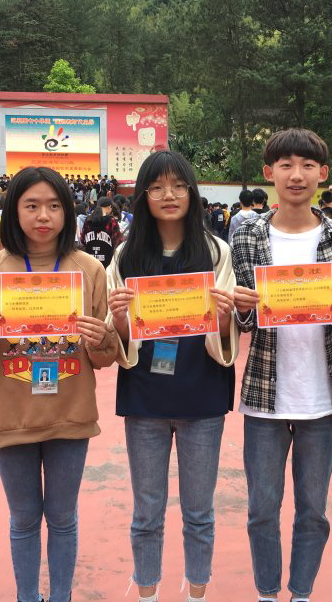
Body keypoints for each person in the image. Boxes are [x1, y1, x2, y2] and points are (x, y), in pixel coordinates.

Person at [0, 166, 117, 602]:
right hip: (13, 418)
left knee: (62, 518)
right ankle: (27, 596)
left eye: (55, 206)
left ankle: (60, 596)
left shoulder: (89, 270)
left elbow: (106, 357)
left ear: (68, 212)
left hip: (70, 417)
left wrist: (102, 339)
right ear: (13, 211)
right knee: (23, 520)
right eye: (32, 205)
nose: (44, 216)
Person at [231, 128, 332, 602]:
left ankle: (302, 592)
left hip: (320, 396)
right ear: (269, 173)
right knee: (261, 510)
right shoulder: (247, 235)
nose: (296, 175)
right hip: (264, 396)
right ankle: (268, 592)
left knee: (313, 511)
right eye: (285, 165)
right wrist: (241, 307)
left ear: (323, 174)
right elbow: (246, 322)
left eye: (307, 165)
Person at [106, 151, 239, 602]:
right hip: (145, 397)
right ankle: (147, 592)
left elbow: (225, 333)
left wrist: (225, 316)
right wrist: (119, 319)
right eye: (158, 187)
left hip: (202, 395)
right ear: (143, 196)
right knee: (147, 512)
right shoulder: (126, 255)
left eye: (179, 186)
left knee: (199, 511)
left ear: (192, 192)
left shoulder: (216, 251)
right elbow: (120, 339)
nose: (169, 195)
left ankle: (196, 592)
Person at [79, 196, 123, 268]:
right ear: (109, 207)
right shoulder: (111, 221)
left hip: (90, 262)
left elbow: (82, 240)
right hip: (107, 264)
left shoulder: (88, 220)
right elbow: (117, 242)